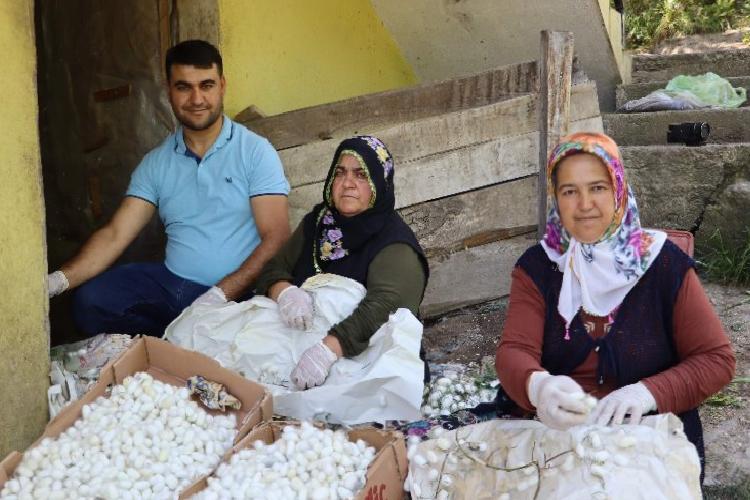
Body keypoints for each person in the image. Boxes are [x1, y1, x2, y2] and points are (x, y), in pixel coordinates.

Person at [495, 132, 735, 476]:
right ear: (555, 199)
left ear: (618, 189)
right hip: (562, 434)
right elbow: (514, 351)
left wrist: (646, 393)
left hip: (648, 433)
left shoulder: (661, 263)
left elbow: (716, 360)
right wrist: (538, 387)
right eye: (569, 191)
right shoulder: (538, 266)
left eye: (597, 187)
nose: (584, 204)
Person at [46, 40, 290, 336]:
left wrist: (220, 294)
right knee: (91, 301)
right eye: (184, 87)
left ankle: (185, 339)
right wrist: (59, 280)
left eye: (207, 85)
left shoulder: (254, 151)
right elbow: (115, 235)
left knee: (241, 330)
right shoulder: (156, 163)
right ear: (168, 90)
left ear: (222, 86)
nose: (196, 98)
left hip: (239, 293)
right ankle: (170, 343)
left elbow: (276, 236)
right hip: (174, 285)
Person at [254, 135, 429, 390]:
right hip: (298, 344)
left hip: (361, 356)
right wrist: (285, 292)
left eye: (360, 175)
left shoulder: (395, 243)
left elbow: (384, 307)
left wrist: (326, 352)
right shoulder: (318, 223)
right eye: (340, 173)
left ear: (379, 184)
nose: (348, 183)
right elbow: (274, 267)